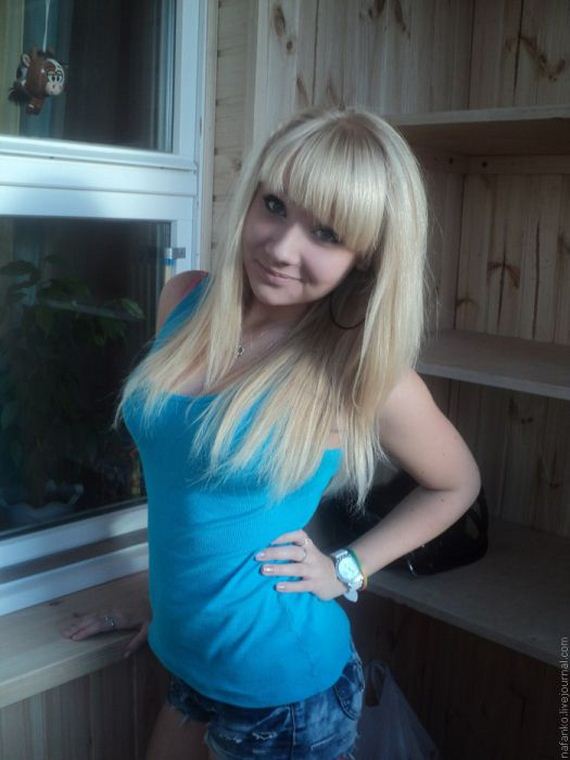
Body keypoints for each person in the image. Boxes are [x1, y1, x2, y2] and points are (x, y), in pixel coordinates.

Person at [62, 106, 481, 759]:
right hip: (189, 657)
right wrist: (162, 606)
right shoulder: (185, 299)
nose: (282, 248)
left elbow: (457, 483)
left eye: (327, 232)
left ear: (366, 258)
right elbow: (191, 497)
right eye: (275, 205)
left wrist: (347, 568)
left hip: (286, 697)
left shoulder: (359, 371)